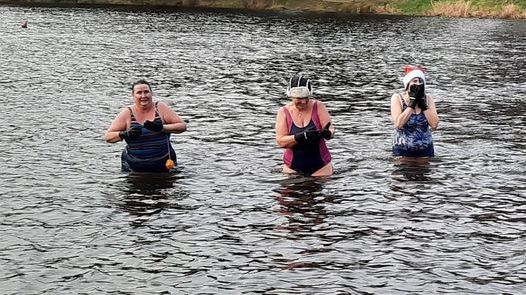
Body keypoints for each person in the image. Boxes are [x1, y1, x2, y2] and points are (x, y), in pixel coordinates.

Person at [105, 80, 187, 172]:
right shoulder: (127, 113)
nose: (143, 96)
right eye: (139, 93)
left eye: (146, 92)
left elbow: (182, 126)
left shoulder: (160, 108)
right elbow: (108, 137)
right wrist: (124, 134)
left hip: (163, 162)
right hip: (134, 165)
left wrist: (162, 128)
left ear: (151, 93)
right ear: (133, 96)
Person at [275, 74, 335, 177]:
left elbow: (330, 127)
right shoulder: (283, 112)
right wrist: (300, 137)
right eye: (299, 98)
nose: (303, 101)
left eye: (306, 98)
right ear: (291, 96)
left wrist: (328, 133)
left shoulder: (318, 106)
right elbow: (280, 141)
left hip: (321, 166)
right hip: (292, 167)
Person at [390, 66, 439, 158]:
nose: (418, 84)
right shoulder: (397, 98)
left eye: (420, 81)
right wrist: (411, 104)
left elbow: (434, 124)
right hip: (402, 151)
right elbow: (398, 124)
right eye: (415, 81)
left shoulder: (428, 98)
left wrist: (423, 105)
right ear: (408, 84)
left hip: (425, 150)